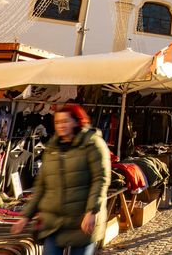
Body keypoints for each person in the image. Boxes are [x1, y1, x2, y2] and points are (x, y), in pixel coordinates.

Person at [11, 105, 110, 255]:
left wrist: (92, 211)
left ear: (77, 122)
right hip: (54, 223)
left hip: (81, 221)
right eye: (57, 122)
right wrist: (26, 216)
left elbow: (100, 180)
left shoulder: (92, 144)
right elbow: (42, 185)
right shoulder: (52, 149)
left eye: (65, 121)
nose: (61, 125)